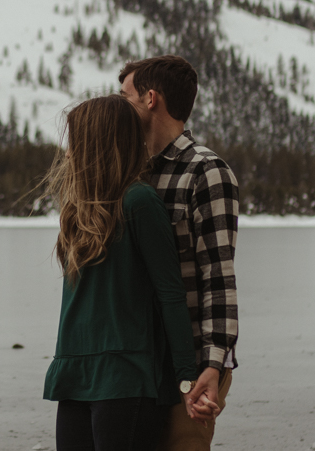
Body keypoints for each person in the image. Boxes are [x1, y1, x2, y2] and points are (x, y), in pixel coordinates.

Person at [41, 95, 214, 451]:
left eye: (77, 139)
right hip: (74, 374)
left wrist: (185, 378)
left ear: (98, 142)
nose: (71, 150)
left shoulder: (139, 201)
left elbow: (170, 293)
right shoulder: (77, 208)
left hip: (126, 379)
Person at [118, 55, 239, 451]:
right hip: (136, 363)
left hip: (190, 363)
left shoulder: (205, 171)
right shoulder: (128, 171)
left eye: (125, 96)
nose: (117, 106)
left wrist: (213, 364)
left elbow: (218, 277)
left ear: (150, 99)